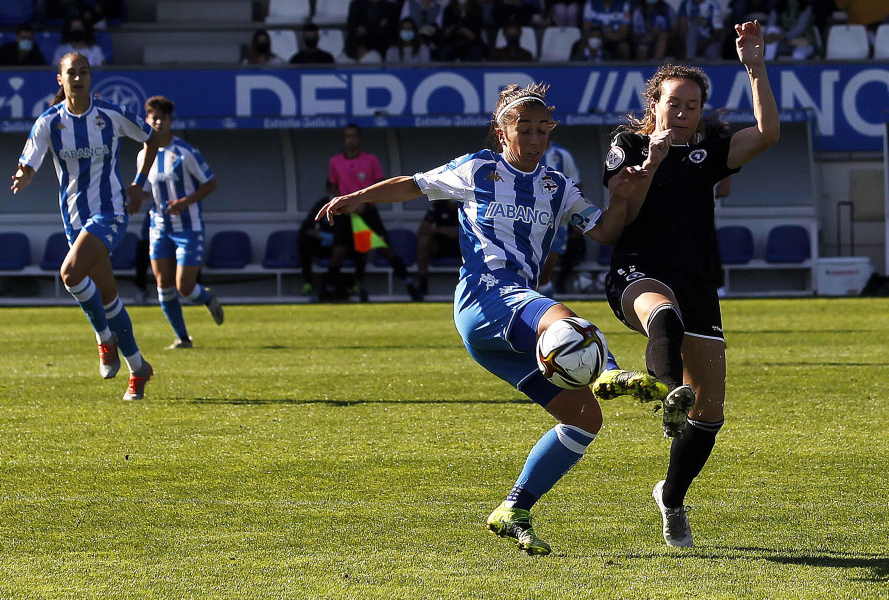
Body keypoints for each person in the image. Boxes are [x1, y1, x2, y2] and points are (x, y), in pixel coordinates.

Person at [317, 83, 674, 556]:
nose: (532, 136)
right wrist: (360, 195)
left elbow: (605, 231)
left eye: (541, 128)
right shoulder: (478, 169)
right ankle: (609, 371)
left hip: (504, 326)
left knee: (584, 418)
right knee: (564, 321)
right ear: (503, 132)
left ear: (550, 131)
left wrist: (628, 195)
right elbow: (414, 183)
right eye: (522, 128)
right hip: (485, 296)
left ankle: (514, 509)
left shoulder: (557, 187)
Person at [601, 21, 779, 547]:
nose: (680, 114)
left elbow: (767, 134)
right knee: (664, 317)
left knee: (711, 414)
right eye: (672, 103)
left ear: (701, 112)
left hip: (697, 278)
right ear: (653, 103)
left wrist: (756, 68)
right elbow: (622, 205)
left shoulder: (706, 157)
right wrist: (651, 160)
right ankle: (663, 390)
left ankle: (672, 497)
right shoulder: (627, 143)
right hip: (638, 271)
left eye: (691, 106)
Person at [11, 52, 159, 400]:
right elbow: (29, 161)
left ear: (91, 77)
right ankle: (139, 369)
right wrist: (24, 175)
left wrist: (138, 184)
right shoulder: (49, 122)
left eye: (83, 72)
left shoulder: (110, 115)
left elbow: (150, 138)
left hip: (110, 214)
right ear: (59, 79)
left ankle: (104, 339)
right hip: (75, 221)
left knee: (70, 274)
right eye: (70, 73)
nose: (77, 78)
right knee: (108, 298)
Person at [138, 95, 224, 350]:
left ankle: (207, 297)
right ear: (147, 120)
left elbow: (211, 183)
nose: (158, 122)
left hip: (188, 227)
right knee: (163, 286)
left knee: (184, 287)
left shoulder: (185, 153)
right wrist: (133, 197)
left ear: (171, 121)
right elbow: (148, 191)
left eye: (163, 118)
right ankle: (183, 338)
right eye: (154, 118)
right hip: (159, 227)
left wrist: (185, 202)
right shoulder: (143, 155)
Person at [328, 123, 422, 301]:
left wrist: (365, 202)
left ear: (360, 139)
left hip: (367, 211)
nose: (351, 140)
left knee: (384, 248)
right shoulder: (335, 162)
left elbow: (381, 187)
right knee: (339, 252)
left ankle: (409, 285)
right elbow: (332, 186)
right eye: (348, 137)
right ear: (344, 140)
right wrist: (344, 202)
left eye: (354, 136)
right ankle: (329, 290)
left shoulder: (370, 160)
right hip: (346, 213)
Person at [297, 181, 358, 301]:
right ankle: (308, 282)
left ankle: (344, 285)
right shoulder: (322, 204)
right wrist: (319, 235)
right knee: (303, 241)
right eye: (335, 187)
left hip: (345, 246)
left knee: (343, 245)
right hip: (325, 246)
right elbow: (307, 226)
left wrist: (336, 238)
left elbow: (351, 228)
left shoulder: (349, 205)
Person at [537, 139, 582, 297]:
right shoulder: (520, 155)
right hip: (527, 220)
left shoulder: (562, 155)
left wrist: (578, 220)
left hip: (556, 222)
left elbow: (576, 186)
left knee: (543, 276)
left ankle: (546, 310)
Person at [414, 198, 461, 296]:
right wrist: (441, 230)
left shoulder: (469, 206)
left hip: (463, 245)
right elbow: (423, 228)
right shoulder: (438, 206)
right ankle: (422, 282)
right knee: (423, 241)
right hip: (441, 245)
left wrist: (459, 232)